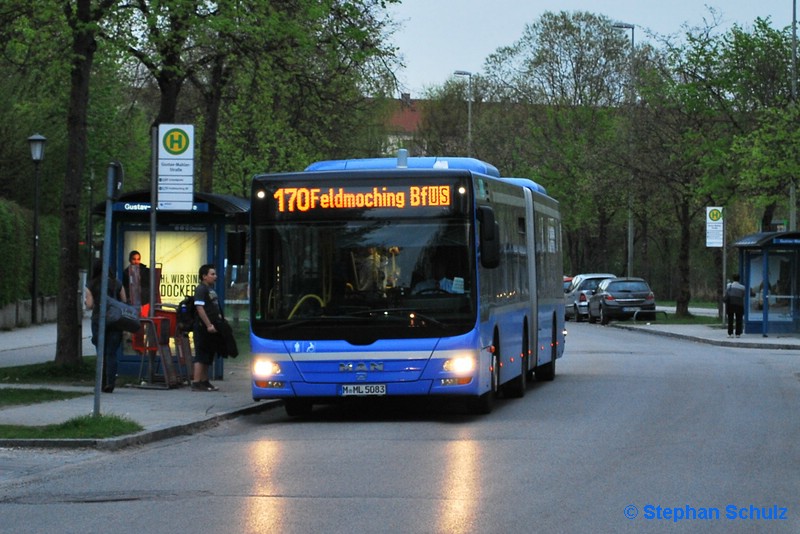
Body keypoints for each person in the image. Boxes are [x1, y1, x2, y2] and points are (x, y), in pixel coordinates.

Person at [85, 260, 127, 393]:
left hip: (98, 320)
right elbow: (124, 301)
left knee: (101, 353)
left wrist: (88, 302)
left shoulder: (91, 284)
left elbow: (90, 305)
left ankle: (100, 383)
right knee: (111, 353)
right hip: (115, 321)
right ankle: (110, 382)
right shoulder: (117, 283)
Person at [191, 264, 222, 391]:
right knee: (201, 354)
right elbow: (200, 308)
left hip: (212, 327)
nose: (215, 276)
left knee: (208, 354)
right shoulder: (201, 289)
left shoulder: (211, 290)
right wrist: (208, 325)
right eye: (212, 274)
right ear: (204, 276)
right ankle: (196, 382)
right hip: (202, 327)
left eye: (215, 274)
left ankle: (205, 381)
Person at [724, 274, 746, 338]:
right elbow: (743, 295)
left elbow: (727, 293)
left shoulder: (729, 286)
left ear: (733, 279)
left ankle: (730, 333)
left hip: (730, 304)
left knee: (730, 319)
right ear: (739, 279)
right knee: (738, 319)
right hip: (739, 304)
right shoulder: (742, 287)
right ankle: (738, 333)